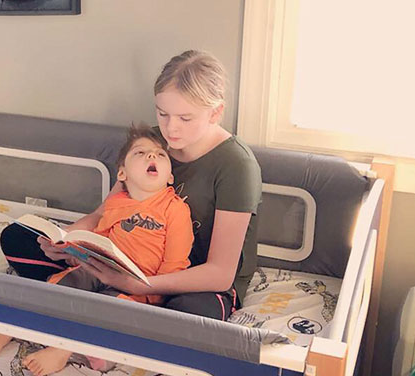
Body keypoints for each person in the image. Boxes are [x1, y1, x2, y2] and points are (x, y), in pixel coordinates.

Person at [55, 50, 261, 322]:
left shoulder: (236, 165)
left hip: (200, 281)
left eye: (185, 118)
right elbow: (102, 214)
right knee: (23, 246)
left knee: (185, 318)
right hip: (135, 261)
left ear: (216, 113)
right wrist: (63, 238)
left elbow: (220, 273)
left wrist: (140, 285)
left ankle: (121, 311)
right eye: (163, 114)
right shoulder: (150, 143)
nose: (170, 129)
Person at [0, 124, 194, 376]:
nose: (151, 156)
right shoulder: (116, 202)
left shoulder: (174, 209)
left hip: (137, 288)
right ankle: (11, 329)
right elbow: (98, 237)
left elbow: (175, 262)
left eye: (160, 155)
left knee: (112, 314)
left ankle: (65, 349)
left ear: (170, 176)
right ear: (122, 174)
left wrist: (152, 296)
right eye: (140, 153)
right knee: (61, 286)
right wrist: (69, 248)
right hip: (100, 269)